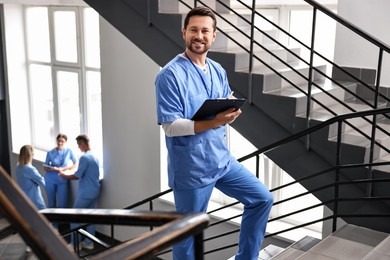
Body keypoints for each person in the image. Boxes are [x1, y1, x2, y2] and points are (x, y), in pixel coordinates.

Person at [155, 6, 274, 260]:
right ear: (184, 32)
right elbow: (171, 126)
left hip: (221, 160)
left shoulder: (218, 69)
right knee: (187, 236)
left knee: (262, 199)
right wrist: (216, 121)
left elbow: (222, 100)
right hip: (191, 168)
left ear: (214, 35)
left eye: (205, 31)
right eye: (194, 30)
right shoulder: (169, 75)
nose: (199, 36)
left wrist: (231, 108)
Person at [59, 134, 100, 250]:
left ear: (83, 144)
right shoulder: (94, 155)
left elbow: (77, 176)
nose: (78, 147)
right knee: (90, 218)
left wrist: (64, 175)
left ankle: (74, 244)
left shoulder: (84, 157)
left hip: (86, 193)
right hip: (95, 190)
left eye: (78, 145)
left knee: (74, 217)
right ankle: (89, 243)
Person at [43, 133, 78, 210]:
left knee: (63, 204)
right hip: (50, 179)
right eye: (58, 141)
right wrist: (53, 169)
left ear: (65, 142)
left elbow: (75, 164)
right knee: (51, 203)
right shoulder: (50, 152)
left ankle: (62, 221)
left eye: (62, 141)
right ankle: (53, 222)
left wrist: (64, 169)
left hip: (62, 179)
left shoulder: (69, 151)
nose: (60, 143)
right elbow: (45, 167)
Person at [15, 145, 46, 210]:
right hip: (35, 201)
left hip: (24, 200)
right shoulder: (30, 169)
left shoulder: (18, 167)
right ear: (30, 155)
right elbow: (43, 183)